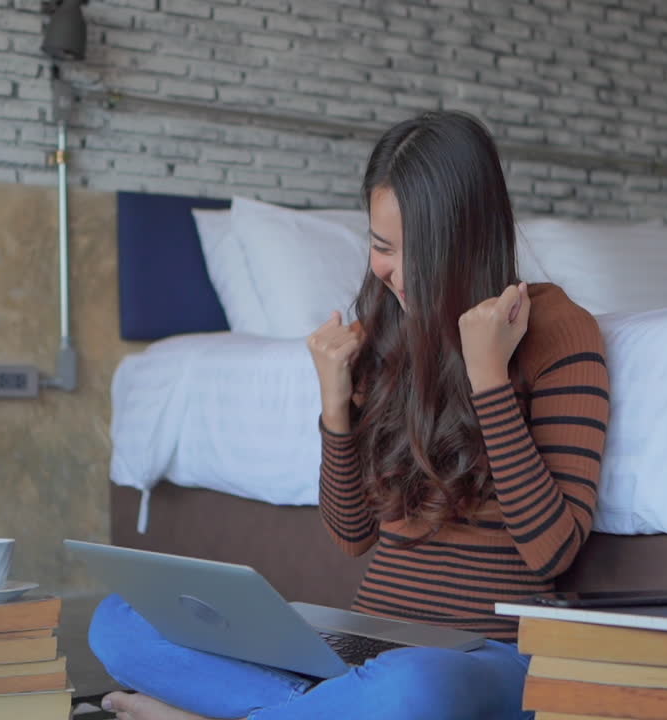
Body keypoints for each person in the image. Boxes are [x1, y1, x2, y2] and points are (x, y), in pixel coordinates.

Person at [88, 111, 611, 720]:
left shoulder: (558, 329)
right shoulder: (383, 333)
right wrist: (334, 406)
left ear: (471, 238)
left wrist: (488, 377)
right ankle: (320, 708)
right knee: (118, 621)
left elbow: (552, 551)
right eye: (383, 248)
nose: (401, 275)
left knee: (415, 688)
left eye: (425, 253)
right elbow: (352, 534)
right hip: (363, 649)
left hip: (482, 659)